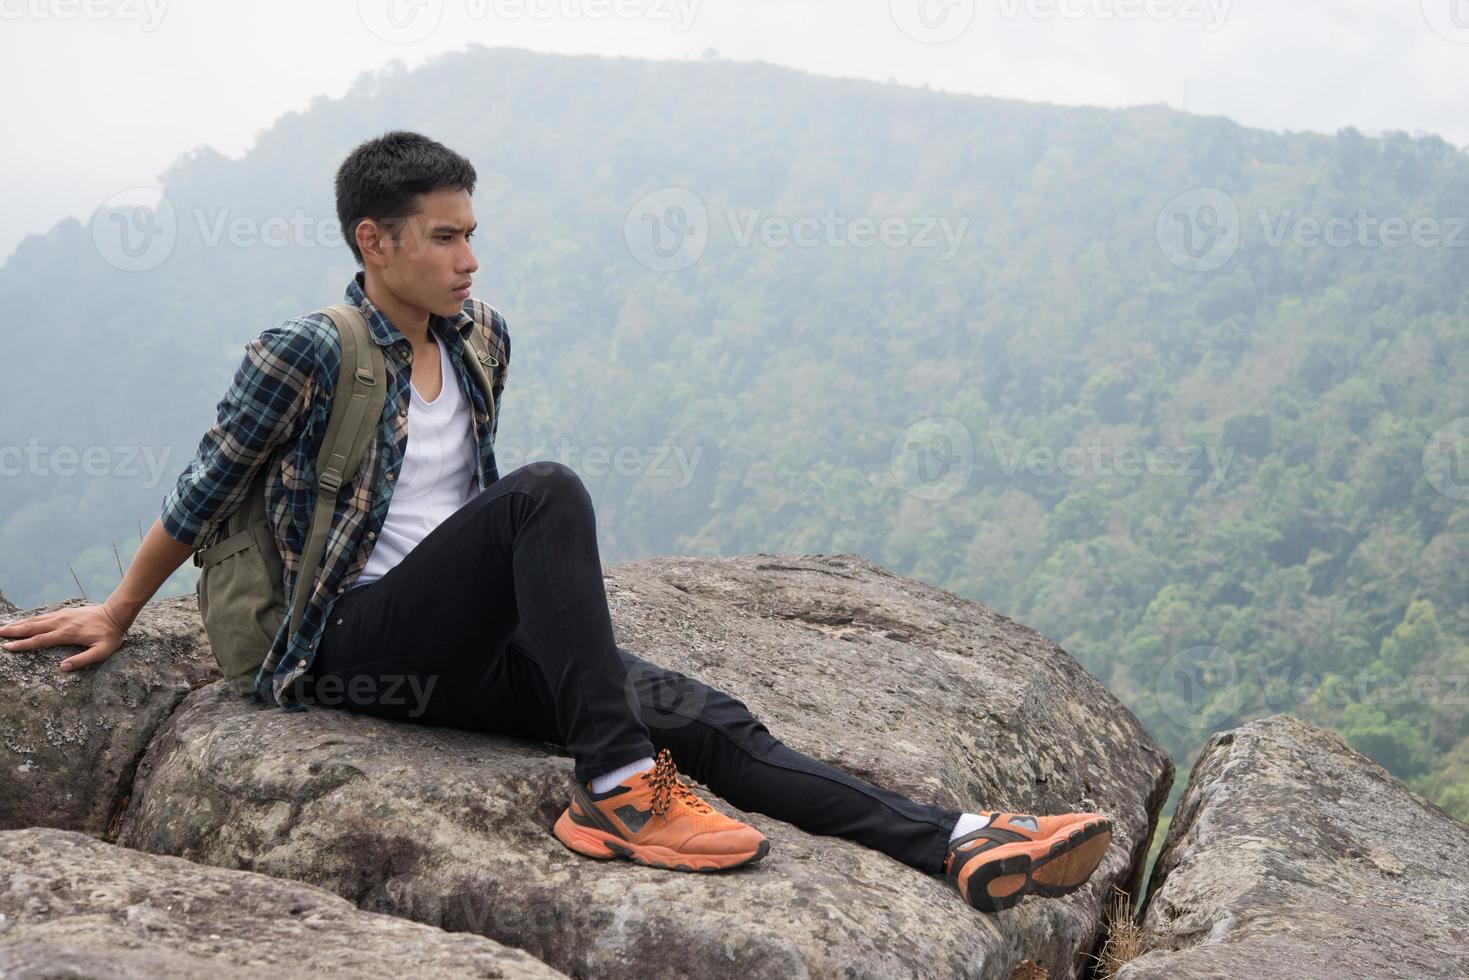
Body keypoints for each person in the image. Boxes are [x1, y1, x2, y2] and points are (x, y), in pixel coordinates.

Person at [0, 131, 1112, 913]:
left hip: (453, 643)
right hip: (343, 645)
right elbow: (202, 489)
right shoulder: (307, 350)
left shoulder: (479, 339)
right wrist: (117, 609)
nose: (468, 257)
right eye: (441, 237)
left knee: (709, 718)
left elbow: (457, 518)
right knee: (547, 489)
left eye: (472, 233)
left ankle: (960, 843)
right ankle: (620, 792)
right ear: (373, 240)